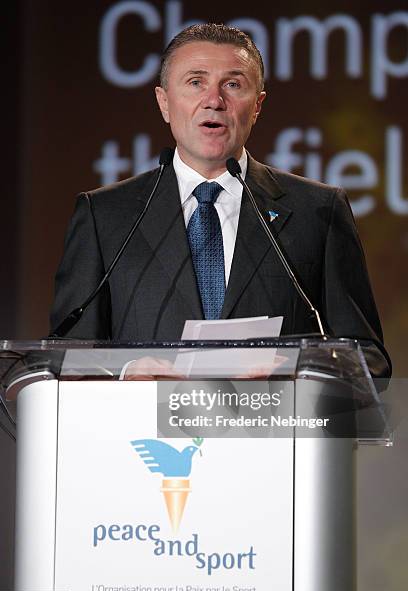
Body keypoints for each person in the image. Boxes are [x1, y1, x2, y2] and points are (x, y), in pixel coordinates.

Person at [50, 23, 391, 378]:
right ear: (164, 102)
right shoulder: (104, 215)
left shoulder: (318, 210)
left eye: (233, 84)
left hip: (273, 427)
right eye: (195, 82)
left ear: (257, 106)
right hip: (143, 431)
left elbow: (368, 358)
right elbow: (67, 354)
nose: (214, 100)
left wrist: (296, 371)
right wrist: (127, 373)